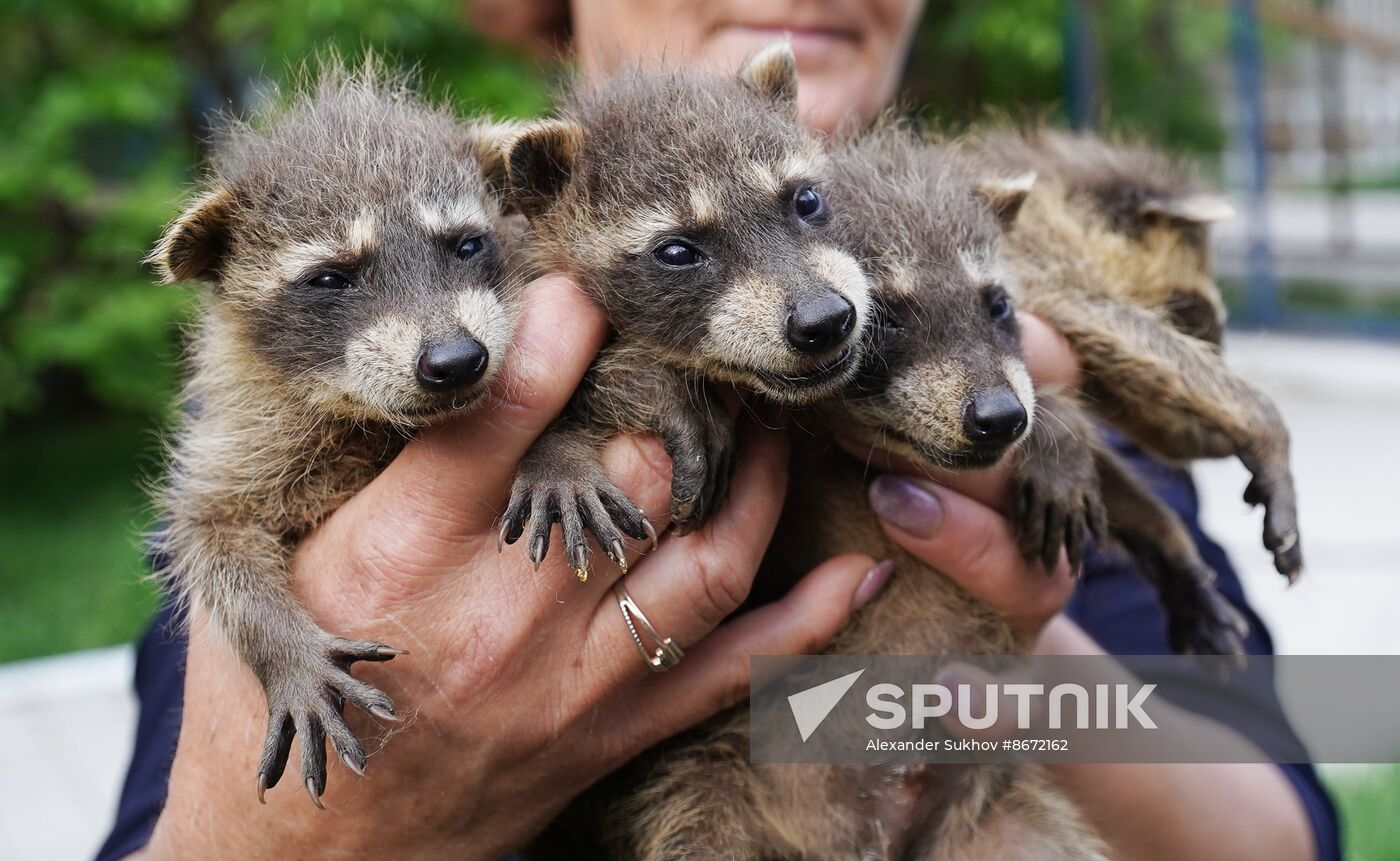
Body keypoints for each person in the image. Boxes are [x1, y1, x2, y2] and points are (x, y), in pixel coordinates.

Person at [98, 2, 1338, 859]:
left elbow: (1286, 817)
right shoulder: (421, 317)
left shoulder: (987, 320)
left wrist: (990, 636)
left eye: (797, 206)